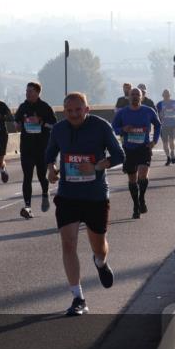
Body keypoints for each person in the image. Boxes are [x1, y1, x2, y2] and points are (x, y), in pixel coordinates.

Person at [46, 93, 126, 316]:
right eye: (69, 111)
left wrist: (97, 167)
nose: (73, 115)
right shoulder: (59, 129)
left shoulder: (101, 127)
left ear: (87, 109)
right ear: (64, 111)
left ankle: (100, 263)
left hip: (95, 195)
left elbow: (120, 156)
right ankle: (78, 297)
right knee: (68, 243)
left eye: (78, 110)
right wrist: (51, 168)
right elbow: (50, 152)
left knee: (98, 246)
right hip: (68, 195)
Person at [112, 87, 162, 218]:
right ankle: (135, 205)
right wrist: (123, 129)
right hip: (129, 149)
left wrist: (154, 141)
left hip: (144, 148)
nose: (134, 96)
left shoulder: (148, 111)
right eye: (132, 94)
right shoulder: (122, 112)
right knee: (132, 179)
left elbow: (158, 125)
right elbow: (114, 128)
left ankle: (142, 199)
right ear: (128, 97)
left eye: (137, 94)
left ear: (141, 97)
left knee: (143, 174)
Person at [14, 81, 57, 218]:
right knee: (27, 177)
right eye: (26, 91)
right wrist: (18, 125)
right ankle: (27, 207)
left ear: (37, 92)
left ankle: (45, 193)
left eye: (30, 91)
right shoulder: (23, 107)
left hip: (42, 148)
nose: (27, 93)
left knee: (41, 175)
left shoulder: (45, 107)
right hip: (26, 147)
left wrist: (41, 122)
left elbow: (54, 126)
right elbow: (17, 122)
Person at [155, 89, 175, 165]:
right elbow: (155, 113)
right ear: (162, 95)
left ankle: (172, 153)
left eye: (167, 95)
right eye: (165, 95)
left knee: (171, 141)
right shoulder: (159, 104)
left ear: (170, 95)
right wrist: (157, 120)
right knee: (165, 143)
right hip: (163, 126)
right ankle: (168, 157)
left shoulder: (174, 102)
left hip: (172, 125)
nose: (166, 96)